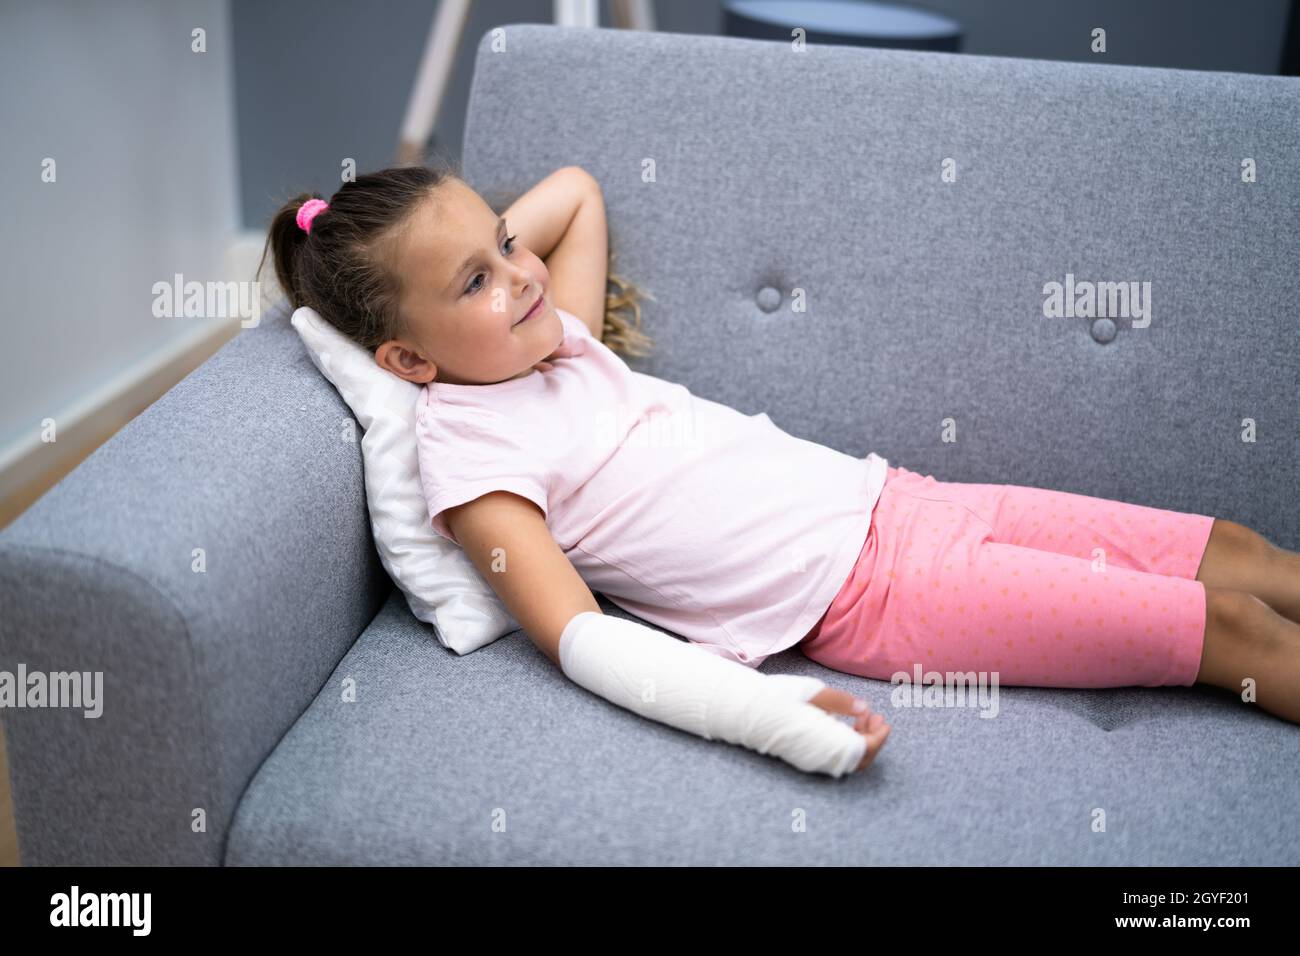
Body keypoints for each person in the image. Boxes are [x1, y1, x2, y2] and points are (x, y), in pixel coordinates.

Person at [259, 162, 1300, 776]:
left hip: (903, 497)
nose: (524, 274)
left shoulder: (552, 339)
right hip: (879, 595)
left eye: (505, 242)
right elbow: (578, 637)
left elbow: (573, 193)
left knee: (1240, 553)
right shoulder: (472, 458)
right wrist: (768, 716)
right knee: (1227, 631)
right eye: (479, 278)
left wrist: (472, 264)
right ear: (404, 360)